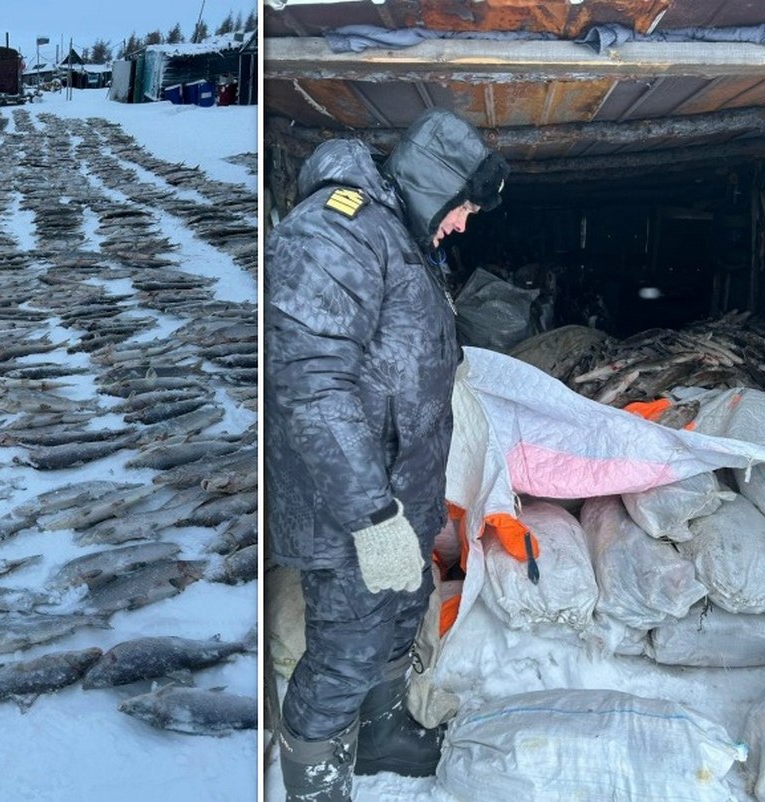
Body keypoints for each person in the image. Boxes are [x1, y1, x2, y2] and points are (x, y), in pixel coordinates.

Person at [263, 108, 508, 801]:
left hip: (399, 495)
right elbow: (308, 385)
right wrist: (372, 517)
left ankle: (382, 734)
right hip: (348, 505)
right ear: (433, 184)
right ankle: (315, 785)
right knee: (344, 651)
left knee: (401, 613)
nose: (461, 225)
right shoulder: (333, 233)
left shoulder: (399, 237)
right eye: (461, 208)